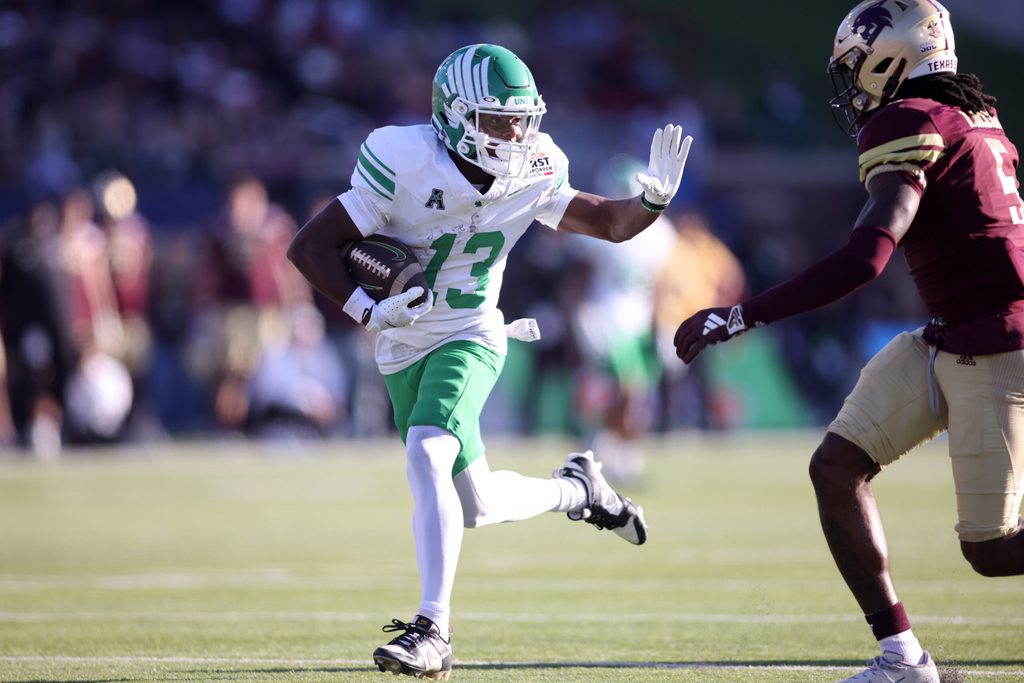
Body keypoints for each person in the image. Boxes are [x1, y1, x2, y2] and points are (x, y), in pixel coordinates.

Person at [288, 43, 691, 680]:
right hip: (401, 341)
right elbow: (311, 247)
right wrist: (369, 310)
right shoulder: (403, 157)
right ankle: (578, 489)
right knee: (473, 504)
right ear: (452, 116)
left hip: (473, 332)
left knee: (428, 452)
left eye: (521, 119)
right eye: (498, 120)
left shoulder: (536, 164)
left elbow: (607, 224)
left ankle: (432, 631)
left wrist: (652, 202)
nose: (515, 133)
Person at [674, 2, 1023, 682]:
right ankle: (902, 658)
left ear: (896, 57)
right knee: (836, 466)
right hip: (950, 334)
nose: (854, 84)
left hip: (997, 344)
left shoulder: (910, 121)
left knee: (991, 549)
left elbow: (867, 259)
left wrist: (743, 314)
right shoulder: (974, 118)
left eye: (858, 67)